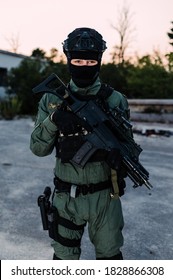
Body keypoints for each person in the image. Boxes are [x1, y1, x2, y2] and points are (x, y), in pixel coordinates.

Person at [30, 27, 131, 260]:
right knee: (64, 262)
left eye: (89, 61)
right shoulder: (52, 99)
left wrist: (121, 162)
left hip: (105, 198)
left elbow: (128, 145)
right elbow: (37, 148)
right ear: (68, 60)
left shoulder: (115, 100)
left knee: (111, 261)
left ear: (99, 61)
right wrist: (54, 120)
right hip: (66, 199)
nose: (83, 66)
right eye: (77, 60)